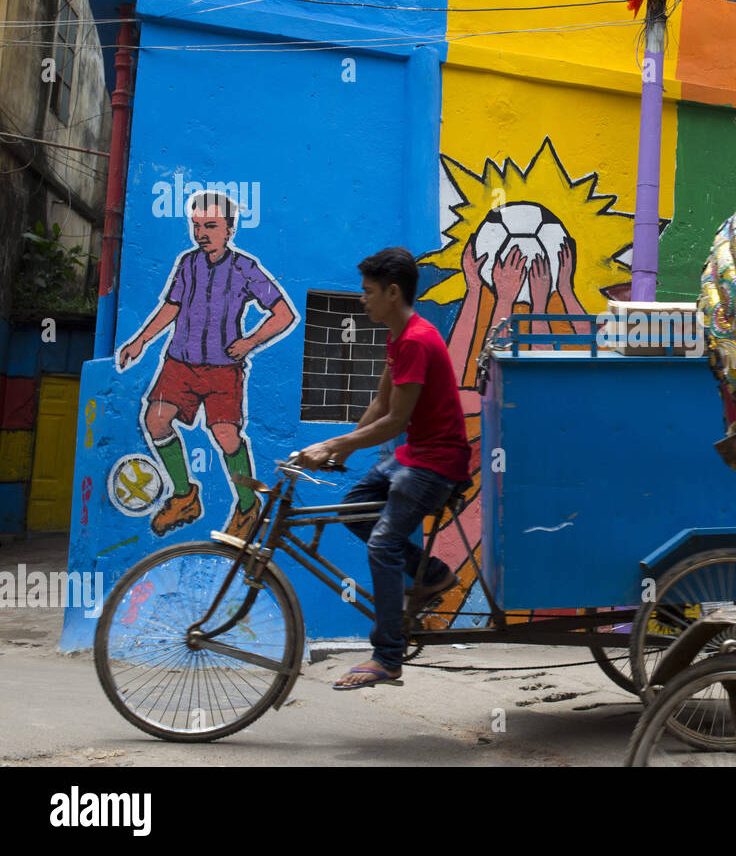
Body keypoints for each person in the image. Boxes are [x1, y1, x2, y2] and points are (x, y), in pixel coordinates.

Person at [298, 247, 471, 690]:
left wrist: (332, 443)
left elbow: (395, 421)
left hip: (436, 463)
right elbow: (381, 403)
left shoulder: (416, 339)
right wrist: (344, 450)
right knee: (353, 507)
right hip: (414, 455)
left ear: (393, 293)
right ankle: (431, 575)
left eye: (368, 292)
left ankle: (387, 657)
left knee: (382, 545)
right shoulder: (398, 336)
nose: (362, 300)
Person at [117, 190, 296, 539]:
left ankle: (247, 507)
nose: (201, 233)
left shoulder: (245, 268)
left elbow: (284, 313)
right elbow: (171, 307)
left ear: (229, 229)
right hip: (180, 362)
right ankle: (184, 496)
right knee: (155, 419)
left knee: (226, 435)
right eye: (196, 226)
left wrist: (249, 343)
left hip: (221, 368)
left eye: (210, 226)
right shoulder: (187, 263)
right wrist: (140, 340)